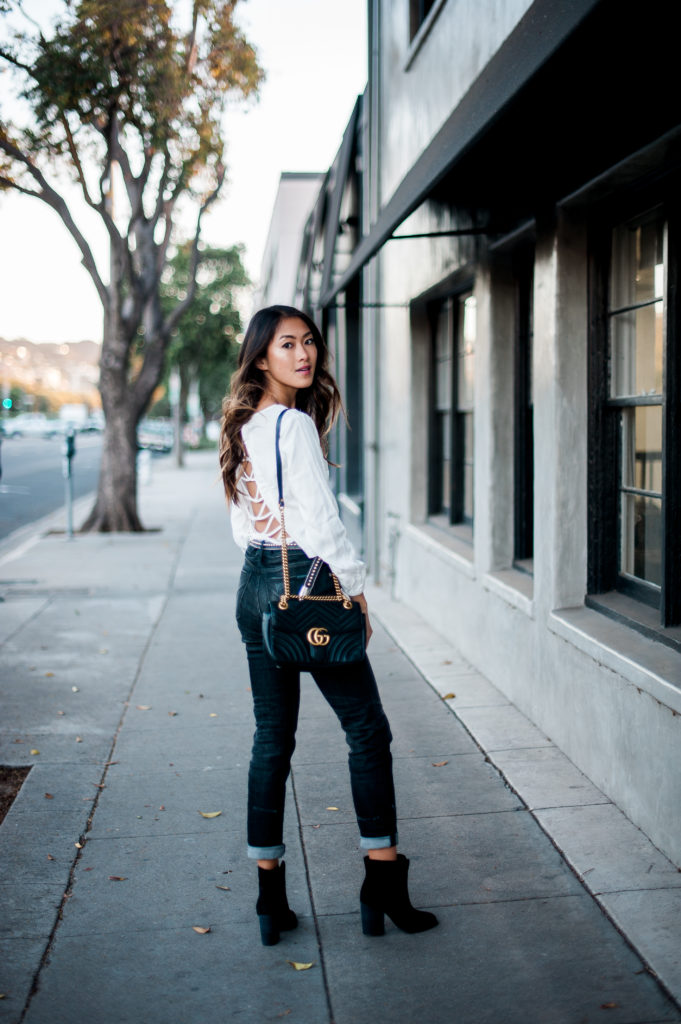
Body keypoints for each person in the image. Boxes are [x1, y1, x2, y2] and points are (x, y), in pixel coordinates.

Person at [219, 305, 437, 945]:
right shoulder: (291, 426)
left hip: (256, 585)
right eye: (287, 344)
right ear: (262, 356)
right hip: (308, 586)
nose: (304, 353)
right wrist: (358, 590)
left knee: (271, 739)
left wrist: (271, 573)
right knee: (367, 729)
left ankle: (269, 899)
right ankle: (383, 878)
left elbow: (242, 526)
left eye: (309, 341)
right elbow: (319, 524)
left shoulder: (241, 424)